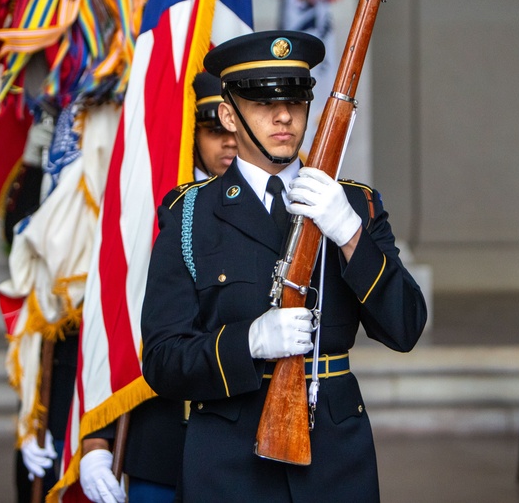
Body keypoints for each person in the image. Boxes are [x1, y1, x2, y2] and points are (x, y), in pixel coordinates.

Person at [139, 30, 428, 503]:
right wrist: (248, 342)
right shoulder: (189, 215)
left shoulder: (355, 204)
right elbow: (163, 360)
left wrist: (350, 234)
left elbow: (406, 327)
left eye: (296, 100)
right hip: (228, 462)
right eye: (261, 103)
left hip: (334, 458)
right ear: (229, 115)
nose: (283, 117)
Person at [77, 72, 238, 503]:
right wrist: (97, 436)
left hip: (238, 439)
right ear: (191, 132)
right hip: (161, 431)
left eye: (235, 127)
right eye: (213, 130)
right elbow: (117, 307)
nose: (229, 142)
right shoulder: (153, 203)